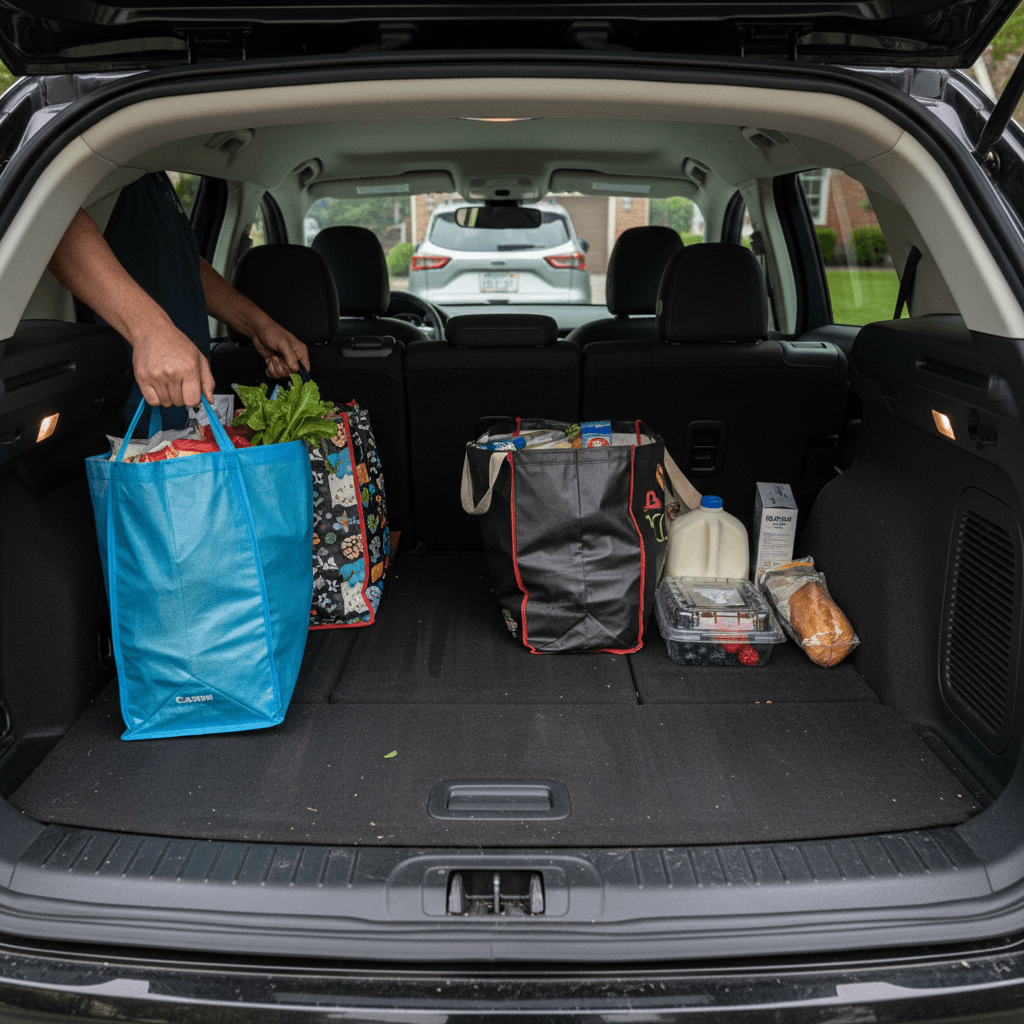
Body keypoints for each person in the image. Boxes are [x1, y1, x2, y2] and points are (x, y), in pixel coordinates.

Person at [48, 171, 309, 431]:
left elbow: (183, 264)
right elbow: (51, 223)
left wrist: (257, 325)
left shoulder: (153, 175)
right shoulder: (110, 162)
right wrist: (150, 331)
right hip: (123, 412)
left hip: (176, 414)